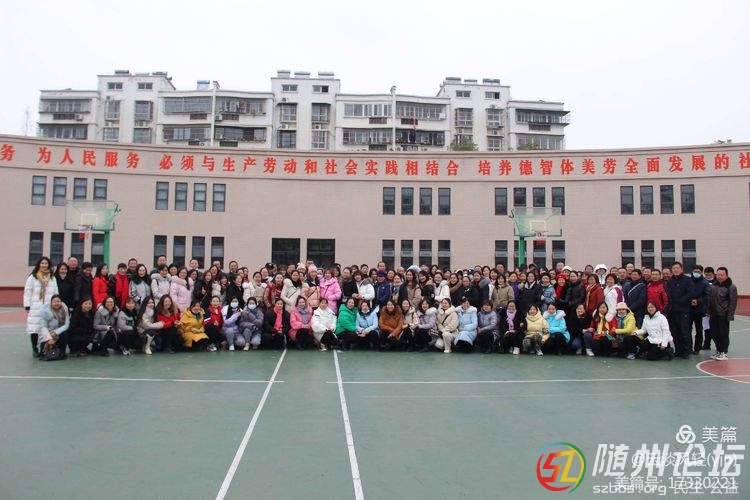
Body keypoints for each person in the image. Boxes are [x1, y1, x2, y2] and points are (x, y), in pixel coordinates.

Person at [24, 256, 58, 357]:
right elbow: (28, 292)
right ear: (39, 264)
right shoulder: (33, 277)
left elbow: (56, 292)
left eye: (46, 263)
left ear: (49, 265)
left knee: (46, 328)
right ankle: (35, 349)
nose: (44, 265)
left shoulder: (52, 278)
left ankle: (44, 348)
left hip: (48, 306)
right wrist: (27, 305)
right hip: (35, 307)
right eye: (42, 263)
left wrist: (56, 303)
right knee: (34, 329)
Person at [665, 262, 694, 359]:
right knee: (674, 332)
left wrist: (681, 301)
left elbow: (690, 293)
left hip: (683, 310)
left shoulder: (687, 280)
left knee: (684, 331)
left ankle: (686, 351)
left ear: (681, 269)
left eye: (677, 268)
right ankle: (678, 350)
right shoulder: (670, 281)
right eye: (674, 268)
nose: (675, 270)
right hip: (672, 311)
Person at [708, 267, 737, 361]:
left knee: (723, 334)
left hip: (723, 314)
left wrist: (730, 315)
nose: (720, 276)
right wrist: (708, 311)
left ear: (726, 276)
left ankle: (724, 352)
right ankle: (719, 350)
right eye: (718, 274)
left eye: (722, 275)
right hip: (713, 314)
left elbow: (733, 302)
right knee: (714, 333)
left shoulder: (731, 287)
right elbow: (710, 299)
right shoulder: (713, 285)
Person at [38, 294, 70, 358]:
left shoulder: (64, 309)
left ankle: (62, 352)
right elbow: (43, 327)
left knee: (65, 334)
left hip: (58, 334)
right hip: (48, 334)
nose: (57, 303)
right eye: (54, 302)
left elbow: (67, 325)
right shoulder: (45, 311)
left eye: (58, 301)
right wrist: (49, 338)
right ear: (51, 303)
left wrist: (56, 332)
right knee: (44, 353)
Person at [688, 265, 710, 354]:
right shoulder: (688, 281)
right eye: (695, 271)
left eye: (698, 272)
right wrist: (689, 300)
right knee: (687, 329)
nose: (696, 273)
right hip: (688, 309)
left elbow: (707, 296)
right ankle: (688, 347)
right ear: (692, 272)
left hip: (699, 310)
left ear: (701, 272)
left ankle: (697, 348)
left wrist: (698, 301)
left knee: (699, 330)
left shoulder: (705, 283)